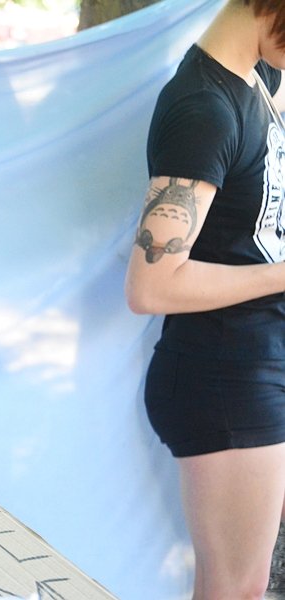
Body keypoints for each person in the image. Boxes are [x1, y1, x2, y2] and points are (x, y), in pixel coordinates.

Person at [124, 1, 285, 597]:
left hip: (252, 363)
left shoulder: (258, 79)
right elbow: (151, 286)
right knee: (236, 589)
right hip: (224, 378)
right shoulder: (204, 112)